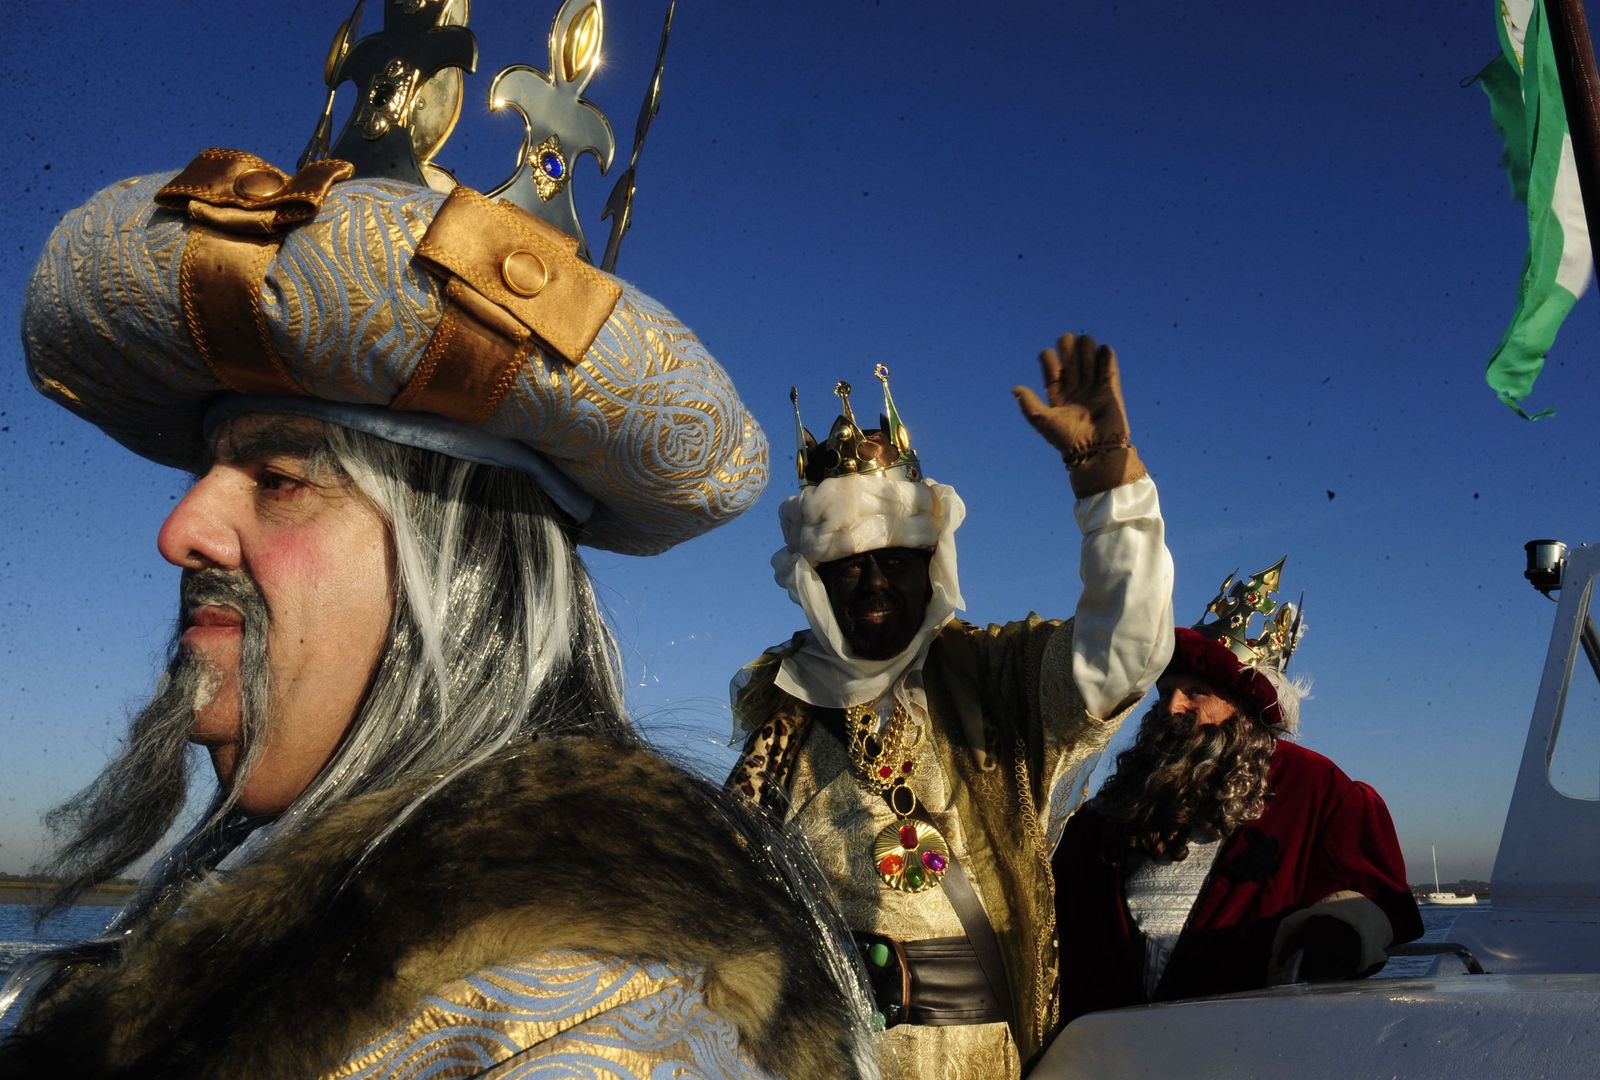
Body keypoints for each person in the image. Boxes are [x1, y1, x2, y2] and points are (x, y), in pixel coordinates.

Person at [0, 5, 873, 1076]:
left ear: (466, 571)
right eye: (205, 471)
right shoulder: (288, 929)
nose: (181, 528)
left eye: (278, 478)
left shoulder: (590, 1030)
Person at [726, 338, 1176, 1075]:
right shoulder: (780, 718)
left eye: (896, 562)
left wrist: (1111, 491)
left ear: (931, 565)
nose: (874, 583)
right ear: (815, 581)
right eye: (849, 566)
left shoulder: (994, 676)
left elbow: (1125, 652)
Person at [1050, 559, 1424, 1029]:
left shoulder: (1317, 790)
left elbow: (1375, 898)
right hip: (1104, 1048)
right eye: (1164, 691)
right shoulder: (1117, 804)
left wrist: (1335, 935)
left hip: (1245, 1046)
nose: (1171, 707)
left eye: (1194, 691)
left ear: (1243, 705)